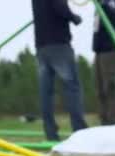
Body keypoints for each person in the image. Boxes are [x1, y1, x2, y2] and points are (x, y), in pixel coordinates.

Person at [31, 0, 89, 141]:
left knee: (46, 93)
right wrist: (75, 18)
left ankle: (50, 133)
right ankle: (79, 131)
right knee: (72, 88)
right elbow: (60, 7)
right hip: (59, 45)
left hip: (42, 47)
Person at [93, 0, 115, 126]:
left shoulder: (111, 4)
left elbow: (113, 16)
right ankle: (104, 120)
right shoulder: (100, 5)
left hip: (110, 51)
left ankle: (112, 121)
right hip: (99, 51)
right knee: (99, 88)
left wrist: (102, 5)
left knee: (109, 87)